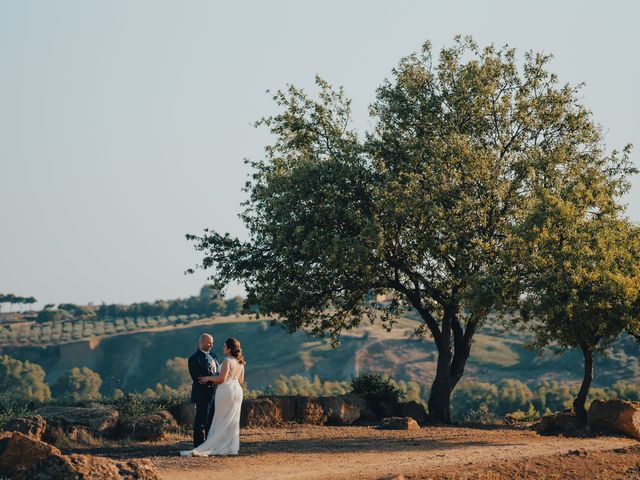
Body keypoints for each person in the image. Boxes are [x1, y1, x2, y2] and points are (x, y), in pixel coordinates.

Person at [181, 337, 246, 456]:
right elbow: (241, 380)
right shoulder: (240, 362)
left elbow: (221, 379)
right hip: (237, 391)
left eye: (224, 346)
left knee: (221, 419)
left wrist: (209, 378)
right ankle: (230, 445)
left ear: (229, 349)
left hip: (226, 392)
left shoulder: (227, 361)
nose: (223, 348)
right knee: (232, 420)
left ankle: (218, 444)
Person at [188, 333, 219, 448]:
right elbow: (198, 379)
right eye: (209, 342)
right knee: (201, 421)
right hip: (202, 395)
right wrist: (215, 380)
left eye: (212, 342)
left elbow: (216, 373)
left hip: (214, 393)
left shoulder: (214, 355)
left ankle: (209, 444)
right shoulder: (194, 359)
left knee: (211, 421)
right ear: (202, 342)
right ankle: (199, 446)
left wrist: (214, 380)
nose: (212, 344)